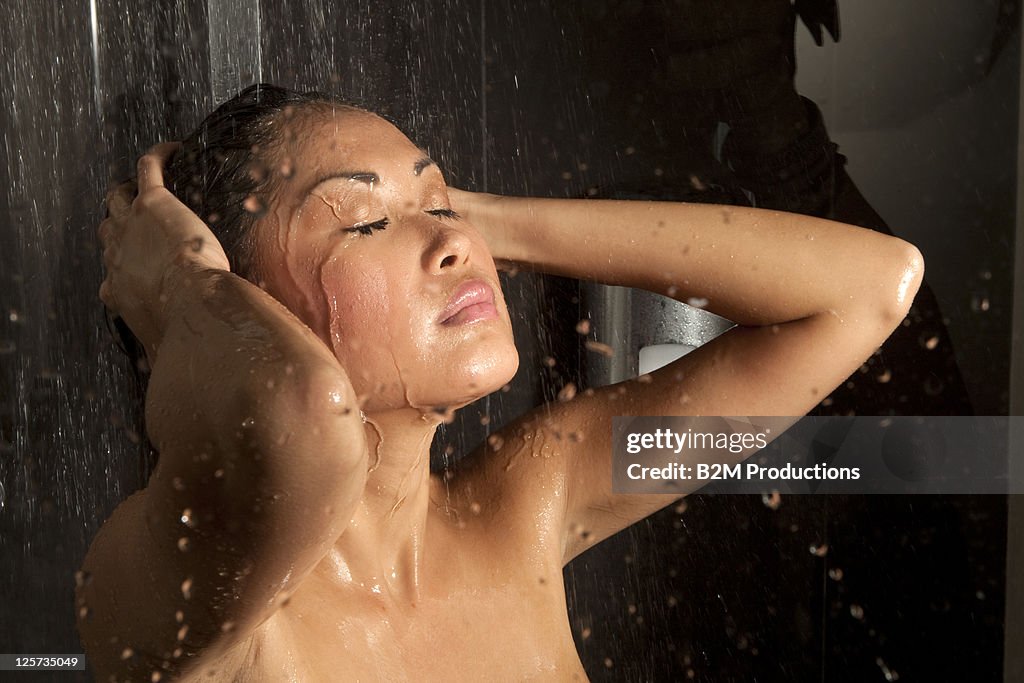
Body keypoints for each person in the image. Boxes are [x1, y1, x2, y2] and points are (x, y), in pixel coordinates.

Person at [78, 83, 922, 682]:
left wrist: (491, 221)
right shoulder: (187, 603)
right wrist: (183, 285)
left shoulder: (527, 505)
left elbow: (869, 287)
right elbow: (311, 420)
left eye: (441, 203)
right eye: (364, 220)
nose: (452, 243)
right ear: (246, 314)